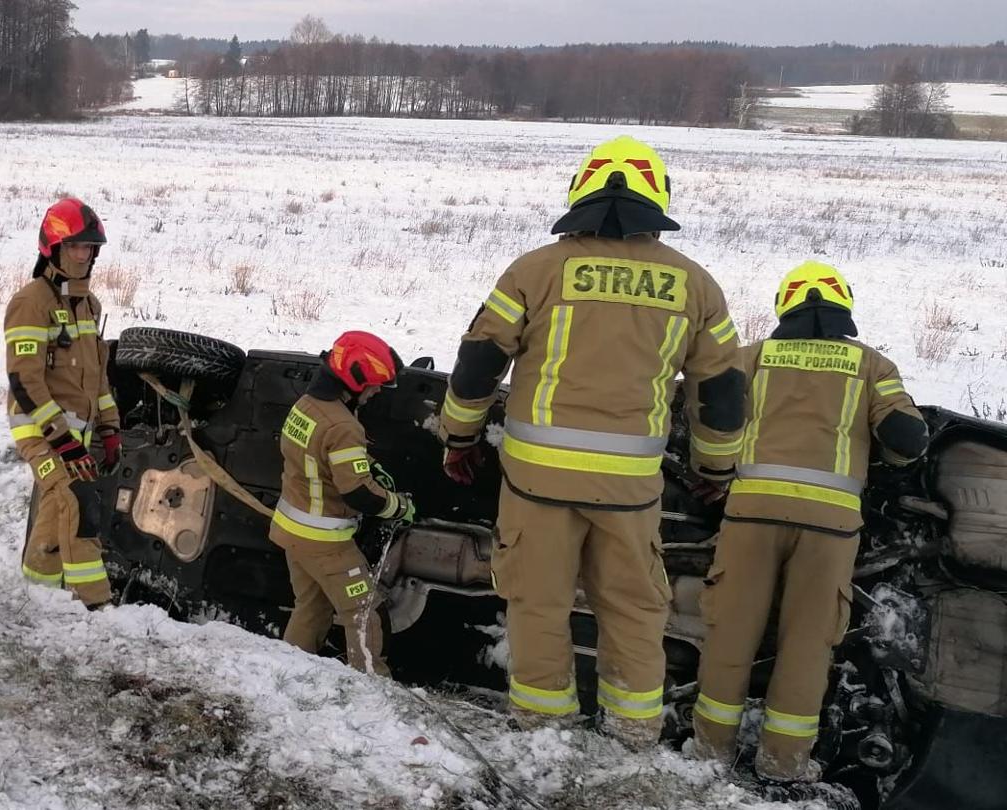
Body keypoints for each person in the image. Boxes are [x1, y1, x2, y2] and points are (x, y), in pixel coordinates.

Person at [435, 135, 747, 747]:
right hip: (629, 490)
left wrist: (458, 435)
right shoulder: (697, 287)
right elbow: (722, 393)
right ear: (658, 196)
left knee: (537, 604)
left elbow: (477, 366)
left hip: (536, 482)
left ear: (580, 190)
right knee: (634, 609)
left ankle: (543, 728)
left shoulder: (535, 269)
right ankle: (632, 734)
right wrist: (716, 467)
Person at [688, 261, 927, 781]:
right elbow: (907, 439)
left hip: (751, 514)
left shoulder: (753, 357)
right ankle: (784, 762)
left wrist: (716, 469)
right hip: (831, 525)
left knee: (731, 632)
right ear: (845, 306)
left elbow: (710, 410)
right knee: (807, 644)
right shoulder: (874, 367)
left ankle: (709, 753)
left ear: (785, 306)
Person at [270, 331, 417, 675]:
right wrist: (398, 506)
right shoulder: (343, 426)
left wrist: (365, 465)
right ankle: (370, 684)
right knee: (364, 612)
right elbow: (358, 493)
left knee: (312, 607)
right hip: (325, 541)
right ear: (356, 380)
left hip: (293, 530)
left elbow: (319, 458)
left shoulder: (305, 406)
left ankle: (286, 673)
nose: (378, 391)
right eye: (376, 385)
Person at [3, 198, 122, 609]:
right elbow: (25, 380)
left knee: (54, 512)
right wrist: (63, 441)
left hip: (76, 434)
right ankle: (96, 605)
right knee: (78, 500)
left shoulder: (89, 305)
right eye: (74, 246)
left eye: (89, 247)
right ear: (52, 249)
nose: (82, 255)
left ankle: (36, 598)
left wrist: (109, 428)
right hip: (40, 431)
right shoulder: (31, 302)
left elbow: (98, 380)